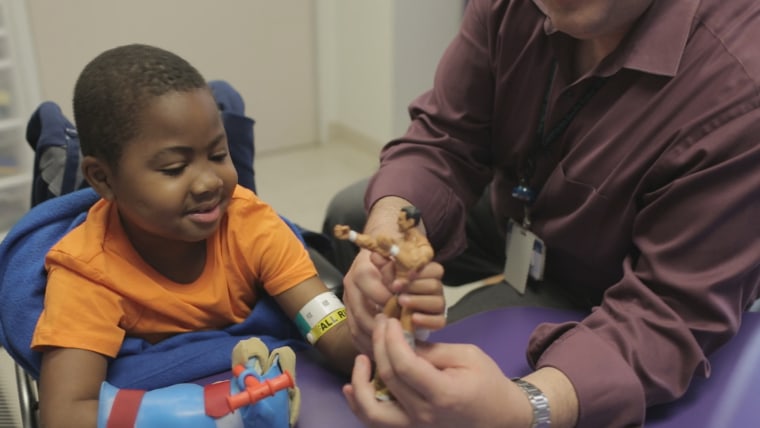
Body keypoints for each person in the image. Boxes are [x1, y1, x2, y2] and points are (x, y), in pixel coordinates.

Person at [324, 0, 760, 427]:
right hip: (523, 208)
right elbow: (444, 138)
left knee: (459, 363)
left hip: (613, 279)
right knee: (356, 212)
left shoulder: (741, 86)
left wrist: (527, 408)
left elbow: (669, 312)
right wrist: (391, 234)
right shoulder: (509, 8)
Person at [30, 44, 356, 428]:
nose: (207, 181)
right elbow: (65, 413)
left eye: (219, 155)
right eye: (174, 168)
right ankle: (61, 159)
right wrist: (180, 415)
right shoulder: (86, 270)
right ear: (103, 178)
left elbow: (330, 332)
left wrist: (384, 325)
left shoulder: (252, 224)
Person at [334, 205, 434, 400]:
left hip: (412, 300)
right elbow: (372, 244)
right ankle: (381, 383)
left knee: (405, 343)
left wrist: (393, 249)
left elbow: (416, 261)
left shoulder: (422, 246)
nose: (398, 222)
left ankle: (406, 383)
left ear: (412, 222)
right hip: (394, 296)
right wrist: (352, 235)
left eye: (402, 219)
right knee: (381, 333)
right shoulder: (400, 239)